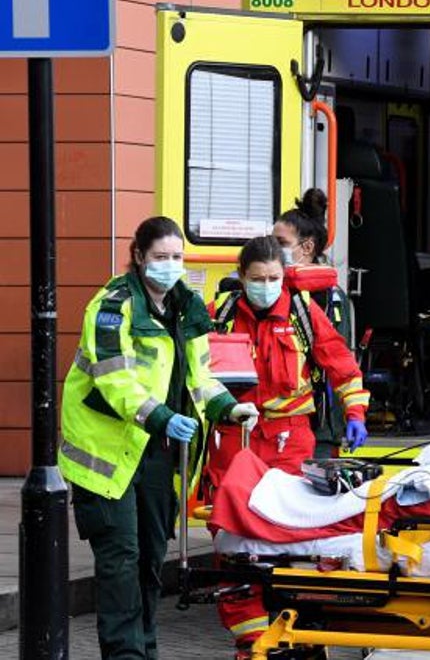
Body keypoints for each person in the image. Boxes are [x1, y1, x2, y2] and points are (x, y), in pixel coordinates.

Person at [60, 216, 259, 659]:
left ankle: (144, 650)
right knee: (121, 564)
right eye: (160, 257)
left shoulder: (187, 307)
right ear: (138, 257)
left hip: (154, 454)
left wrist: (227, 406)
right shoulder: (112, 306)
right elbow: (115, 380)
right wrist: (163, 417)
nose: (170, 265)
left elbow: (200, 375)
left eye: (176, 257)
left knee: (150, 560)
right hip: (107, 454)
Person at [204, 235, 371, 655]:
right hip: (234, 436)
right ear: (242, 277)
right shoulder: (219, 315)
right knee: (232, 538)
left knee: (294, 535)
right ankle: (253, 638)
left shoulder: (302, 312)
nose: (266, 285)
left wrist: (355, 414)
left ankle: (301, 629)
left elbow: (341, 364)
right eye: (257, 278)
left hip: (290, 437)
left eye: (274, 277)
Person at [272, 188, 355, 458]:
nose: (272, 250)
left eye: (280, 243)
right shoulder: (271, 291)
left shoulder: (330, 299)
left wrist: (353, 415)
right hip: (278, 422)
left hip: (319, 424)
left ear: (306, 247)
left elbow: (338, 362)